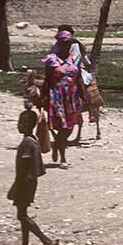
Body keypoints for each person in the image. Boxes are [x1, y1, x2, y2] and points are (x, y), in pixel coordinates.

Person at [7, 109, 59, 245]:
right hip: (28, 182)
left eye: (22, 123)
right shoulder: (33, 140)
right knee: (22, 214)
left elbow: (24, 167)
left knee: (22, 216)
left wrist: (16, 186)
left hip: (25, 183)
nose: (19, 125)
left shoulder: (27, 143)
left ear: (29, 125)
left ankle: (46, 241)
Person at [43, 30, 83, 167]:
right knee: (62, 127)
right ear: (59, 44)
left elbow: (78, 76)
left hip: (71, 97)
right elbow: (47, 80)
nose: (66, 46)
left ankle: (57, 145)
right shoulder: (51, 60)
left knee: (70, 128)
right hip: (57, 97)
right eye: (63, 43)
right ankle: (63, 158)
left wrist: (83, 95)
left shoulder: (74, 58)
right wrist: (44, 98)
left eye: (68, 43)